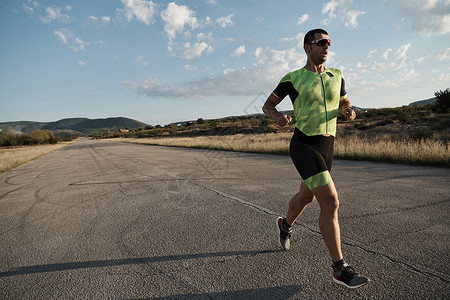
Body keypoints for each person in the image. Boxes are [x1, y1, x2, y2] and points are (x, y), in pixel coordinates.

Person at [262, 28, 368, 289]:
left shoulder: (337, 75)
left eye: (329, 43)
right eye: (321, 43)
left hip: (326, 145)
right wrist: (277, 118)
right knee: (330, 201)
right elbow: (268, 106)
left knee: (306, 197)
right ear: (307, 47)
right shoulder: (293, 78)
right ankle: (339, 268)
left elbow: (344, 102)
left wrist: (348, 111)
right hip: (303, 144)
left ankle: (284, 225)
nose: (326, 47)